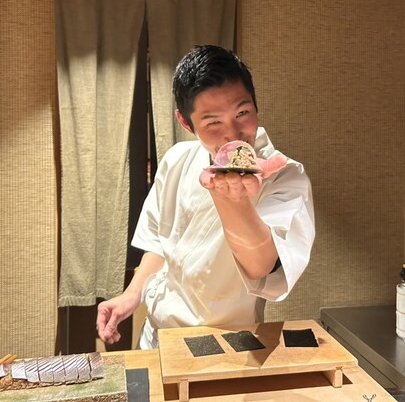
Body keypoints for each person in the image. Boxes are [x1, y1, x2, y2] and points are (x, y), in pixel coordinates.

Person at [96, 45, 315, 349]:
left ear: (255, 105)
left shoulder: (285, 176)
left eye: (242, 112)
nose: (233, 134)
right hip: (156, 336)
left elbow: (261, 266)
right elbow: (160, 242)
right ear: (186, 123)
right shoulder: (177, 159)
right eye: (213, 122)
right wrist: (132, 295)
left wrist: (233, 199)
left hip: (226, 344)